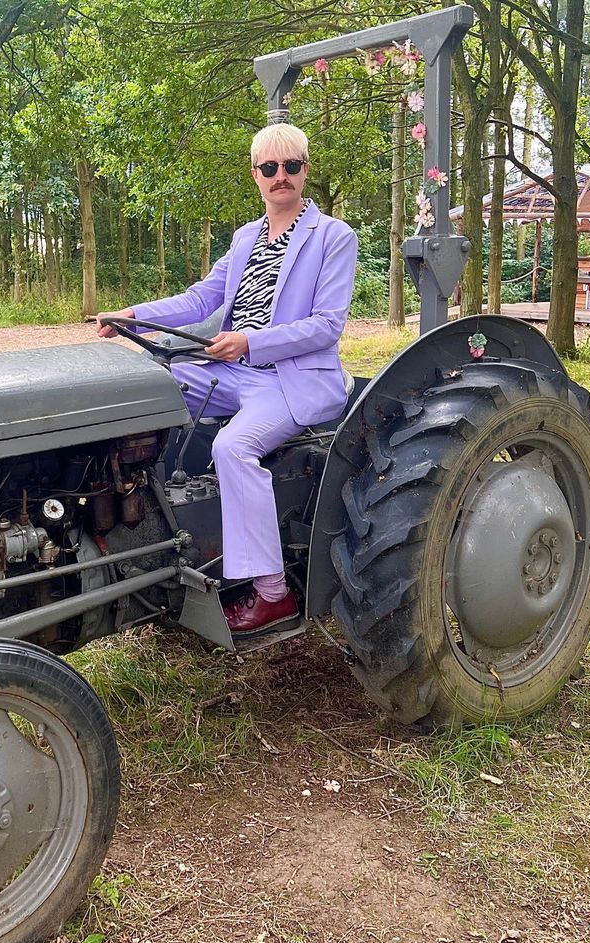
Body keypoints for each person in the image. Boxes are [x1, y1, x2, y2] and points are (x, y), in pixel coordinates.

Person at [97, 122, 358, 637]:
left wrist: (250, 342)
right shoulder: (244, 239)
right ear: (255, 174)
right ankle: (143, 540)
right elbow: (201, 300)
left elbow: (328, 325)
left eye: (291, 166)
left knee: (234, 449)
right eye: (269, 168)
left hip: (290, 380)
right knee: (147, 396)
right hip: (232, 372)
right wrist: (132, 314)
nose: (280, 176)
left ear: (306, 170)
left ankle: (272, 595)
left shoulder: (332, 237)